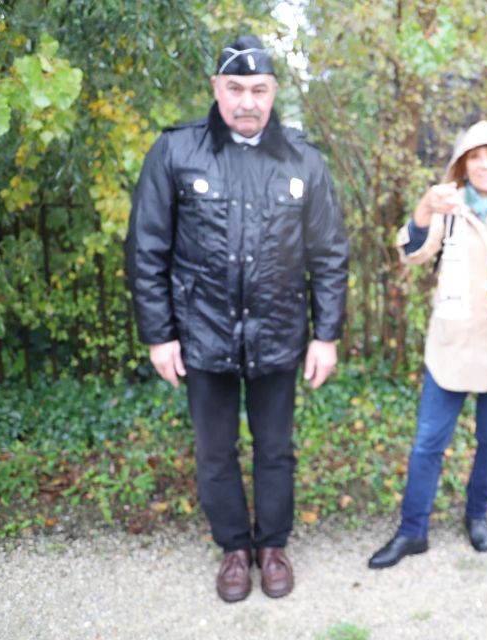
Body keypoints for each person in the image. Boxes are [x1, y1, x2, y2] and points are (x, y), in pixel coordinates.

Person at [124, 35, 349, 603]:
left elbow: (329, 254)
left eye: (258, 90)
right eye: (235, 88)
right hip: (203, 336)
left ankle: (271, 546)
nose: (246, 101)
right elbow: (146, 248)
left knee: (275, 448)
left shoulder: (304, 160)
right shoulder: (176, 152)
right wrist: (159, 336)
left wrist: (327, 334)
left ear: (274, 92)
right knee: (214, 451)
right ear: (216, 90)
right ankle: (234, 549)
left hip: (277, 334)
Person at [368, 120, 487, 569]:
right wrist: (424, 206)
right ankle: (412, 531)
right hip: (451, 348)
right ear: (462, 165)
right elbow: (410, 253)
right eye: (475, 157)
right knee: (428, 443)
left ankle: (478, 515)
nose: (485, 165)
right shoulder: (449, 209)